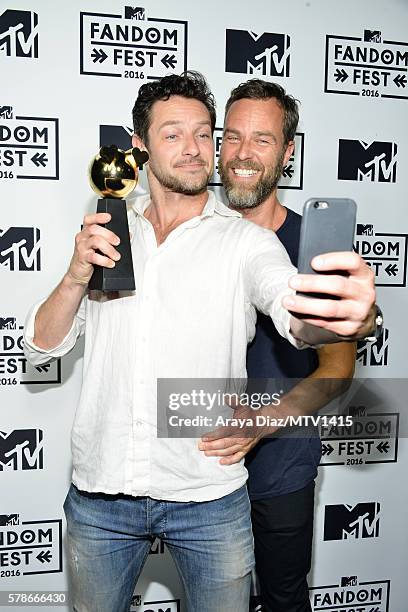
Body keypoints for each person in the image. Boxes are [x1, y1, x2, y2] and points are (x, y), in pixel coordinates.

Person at [24, 72, 376, 612]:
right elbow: (44, 346)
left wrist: (344, 316)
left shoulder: (248, 241)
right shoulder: (109, 229)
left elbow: (292, 311)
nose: (195, 150)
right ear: (138, 147)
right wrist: (74, 275)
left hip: (211, 497)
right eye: (173, 135)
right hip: (101, 496)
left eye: (203, 134)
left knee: (282, 594)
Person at [199, 79, 356, 612]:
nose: (244, 154)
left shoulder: (315, 250)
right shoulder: (187, 236)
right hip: (196, 467)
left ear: (288, 153)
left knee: (284, 601)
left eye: (263, 140)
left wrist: (266, 420)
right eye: (233, 137)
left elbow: (338, 369)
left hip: (283, 466)